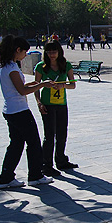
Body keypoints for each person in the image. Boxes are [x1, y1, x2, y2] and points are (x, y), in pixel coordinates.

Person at [0, 35, 55, 189]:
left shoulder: (5, 66)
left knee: (16, 144)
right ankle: (35, 176)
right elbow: (22, 91)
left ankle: (6, 177)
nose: (25, 55)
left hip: (11, 110)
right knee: (34, 143)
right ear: (17, 50)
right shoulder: (12, 68)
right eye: (24, 52)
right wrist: (41, 85)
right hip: (19, 111)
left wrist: (35, 83)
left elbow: (18, 87)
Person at [34, 41, 78, 176]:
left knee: (62, 134)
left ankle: (61, 160)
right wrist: (39, 103)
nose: (51, 55)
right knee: (49, 135)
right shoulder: (41, 67)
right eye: (49, 52)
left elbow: (73, 84)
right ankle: (46, 165)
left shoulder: (66, 65)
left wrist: (63, 85)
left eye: (54, 52)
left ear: (59, 52)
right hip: (47, 104)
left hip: (61, 104)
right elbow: (36, 86)